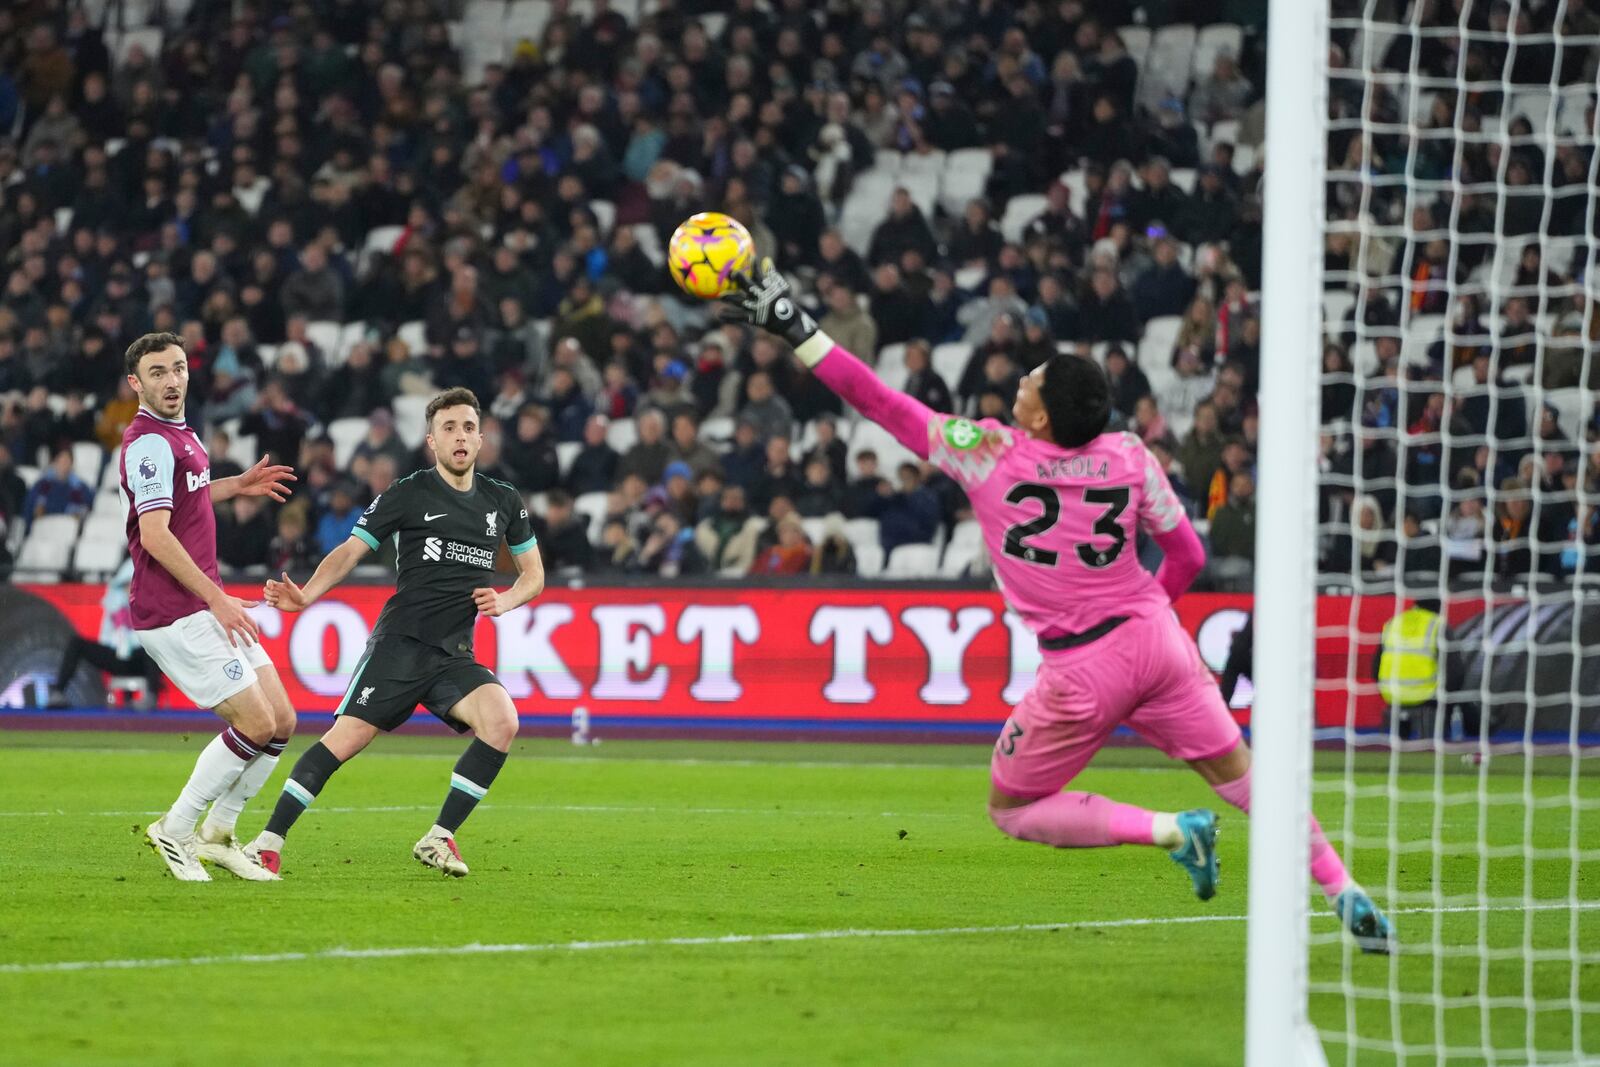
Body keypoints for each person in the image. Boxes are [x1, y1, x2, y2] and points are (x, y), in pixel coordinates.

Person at [720, 260, 1393, 953]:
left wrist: (794, 327)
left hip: (1080, 672)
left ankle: (1168, 829)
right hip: (1159, 642)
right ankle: (1343, 887)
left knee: (1011, 807)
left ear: (1039, 414)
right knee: (1246, 779)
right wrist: (1140, 624)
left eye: (1031, 379)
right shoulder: (1131, 456)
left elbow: (882, 403)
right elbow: (1187, 555)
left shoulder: (989, 454)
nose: (1020, 380)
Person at [255, 387, 545, 878]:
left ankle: (439, 838)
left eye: (468, 428)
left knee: (502, 722)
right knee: (344, 740)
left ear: (480, 438)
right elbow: (351, 549)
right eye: (449, 428)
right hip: (401, 645)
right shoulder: (410, 493)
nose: (460, 436)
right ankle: (266, 842)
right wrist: (306, 594)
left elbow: (533, 574)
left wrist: (506, 599)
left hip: (454, 652)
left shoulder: (504, 500)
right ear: (431, 440)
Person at [120, 332, 298, 883]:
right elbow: (154, 533)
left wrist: (236, 485)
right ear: (137, 384)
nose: (171, 380)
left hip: (201, 603)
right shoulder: (146, 441)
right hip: (173, 610)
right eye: (157, 372)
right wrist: (217, 598)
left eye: (177, 368)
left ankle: (219, 834)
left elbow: (188, 493)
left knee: (283, 721)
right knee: (255, 720)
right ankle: (176, 830)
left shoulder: (182, 435)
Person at [47, 557, 163, 708]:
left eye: (133, 583)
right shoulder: (114, 605)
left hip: (141, 659)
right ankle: (58, 692)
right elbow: (105, 637)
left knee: (152, 646)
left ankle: (151, 697)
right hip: (116, 657)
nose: (129, 588)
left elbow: (156, 634)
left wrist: (131, 641)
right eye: (126, 584)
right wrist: (119, 642)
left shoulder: (152, 604)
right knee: (76, 643)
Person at [1373, 598, 1443, 741]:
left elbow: (1375, 667)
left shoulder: (1392, 623)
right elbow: (1455, 671)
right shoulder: (1437, 624)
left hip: (1391, 694)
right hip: (1426, 697)